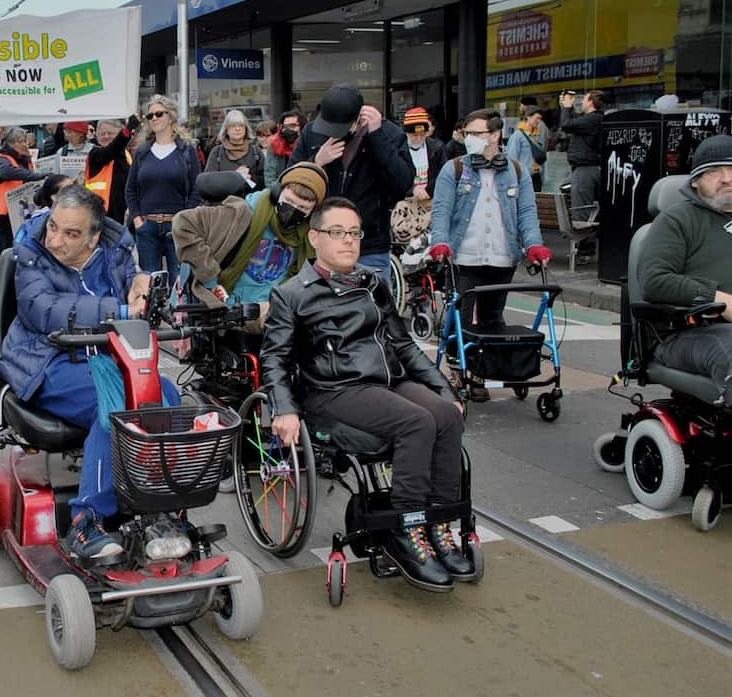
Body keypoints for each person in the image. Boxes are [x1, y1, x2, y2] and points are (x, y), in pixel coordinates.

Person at [260, 197, 469, 591]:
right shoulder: (292, 294)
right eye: (337, 233)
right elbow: (274, 358)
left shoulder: (373, 284)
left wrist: (445, 389)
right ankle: (407, 532)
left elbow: (404, 346)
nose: (348, 241)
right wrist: (284, 408)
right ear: (315, 237)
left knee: (444, 414)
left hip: (385, 380)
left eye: (354, 233)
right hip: (334, 390)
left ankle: (439, 525)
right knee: (417, 422)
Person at [0, 185, 170, 560]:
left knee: (167, 397)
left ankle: (156, 506)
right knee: (115, 406)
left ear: (93, 236)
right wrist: (120, 311)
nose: (56, 240)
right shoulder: (31, 253)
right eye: (54, 227)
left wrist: (144, 286)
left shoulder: (116, 250)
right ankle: (85, 519)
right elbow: (43, 310)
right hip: (49, 360)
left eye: (71, 234)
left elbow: (135, 288)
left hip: (109, 357)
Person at [428, 109, 551, 399]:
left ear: (495, 135)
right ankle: (463, 370)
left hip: (501, 256)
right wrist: (440, 243)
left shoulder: (516, 170)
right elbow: (442, 210)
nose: (469, 139)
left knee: (493, 318)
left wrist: (533, 245)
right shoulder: (455, 169)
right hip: (463, 257)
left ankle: (495, 368)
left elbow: (526, 213)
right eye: (466, 133)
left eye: (476, 134)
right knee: (461, 315)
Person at [638, 134, 732, 407]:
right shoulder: (677, 219)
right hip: (687, 331)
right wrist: (720, 299)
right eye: (714, 172)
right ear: (695, 181)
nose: (726, 178)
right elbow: (654, 281)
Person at [288, 85, 415, 283]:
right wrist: (316, 162)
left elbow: (403, 183)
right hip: (321, 241)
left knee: (373, 308)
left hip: (368, 243)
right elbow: (288, 180)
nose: (334, 132)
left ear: (359, 118)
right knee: (320, 308)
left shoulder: (388, 133)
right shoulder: (312, 132)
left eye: (340, 127)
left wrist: (377, 136)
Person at [173, 163, 326, 314]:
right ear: (276, 192)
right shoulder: (242, 213)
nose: (293, 210)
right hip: (230, 307)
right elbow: (183, 222)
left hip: (276, 307)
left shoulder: (309, 235)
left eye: (303, 208)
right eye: (289, 201)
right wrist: (209, 276)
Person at [127, 94, 203, 284]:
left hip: (177, 227)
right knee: (150, 285)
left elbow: (197, 187)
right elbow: (130, 190)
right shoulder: (142, 152)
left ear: (171, 117)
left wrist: (185, 217)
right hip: (147, 227)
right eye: (149, 116)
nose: (154, 118)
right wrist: (137, 220)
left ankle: (178, 315)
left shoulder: (186, 151)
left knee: (180, 284)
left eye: (159, 114)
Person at [0, 126, 44, 256]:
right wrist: (36, 176)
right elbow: (5, 172)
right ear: (9, 143)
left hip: (22, 210)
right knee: (8, 253)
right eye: (19, 141)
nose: (23, 144)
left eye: (24, 141)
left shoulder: (23, 159)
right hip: (5, 214)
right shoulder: (3, 158)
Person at [559, 89, 605, 239]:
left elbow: (566, 124)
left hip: (586, 168)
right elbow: (573, 123)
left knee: (582, 211)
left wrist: (566, 107)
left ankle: (585, 247)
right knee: (582, 206)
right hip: (585, 168)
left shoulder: (593, 119)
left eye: (584, 100)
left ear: (591, 102)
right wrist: (567, 107)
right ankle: (584, 245)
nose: (582, 103)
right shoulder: (591, 119)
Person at [85, 115, 139, 223]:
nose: (106, 136)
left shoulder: (126, 155)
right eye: (102, 134)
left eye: (110, 133)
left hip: (125, 212)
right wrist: (127, 131)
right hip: (101, 212)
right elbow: (112, 149)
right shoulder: (95, 154)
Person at [205, 109, 265, 190]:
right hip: (224, 201)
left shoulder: (256, 152)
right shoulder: (217, 152)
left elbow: (265, 180)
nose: (237, 129)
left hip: (251, 200)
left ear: (246, 129)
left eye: (241, 125)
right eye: (233, 126)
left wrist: (250, 177)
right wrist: (234, 177)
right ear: (226, 130)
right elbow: (208, 181)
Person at [403, 106, 447, 201]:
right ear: (407, 133)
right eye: (414, 135)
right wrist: (411, 190)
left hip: (429, 200)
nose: (419, 139)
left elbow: (443, 174)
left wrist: (428, 191)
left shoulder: (437, 148)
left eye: (422, 135)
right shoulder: (398, 149)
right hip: (403, 202)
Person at [507, 105, 547, 193]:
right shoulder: (517, 136)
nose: (538, 121)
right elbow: (512, 159)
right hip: (524, 176)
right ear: (528, 117)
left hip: (537, 176)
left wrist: (543, 177)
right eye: (537, 118)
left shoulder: (539, 136)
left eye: (540, 119)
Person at [263, 109, 303, 186]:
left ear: (302, 127)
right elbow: (269, 176)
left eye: (293, 125)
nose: (288, 129)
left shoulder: (306, 147)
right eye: (285, 126)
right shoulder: (274, 146)